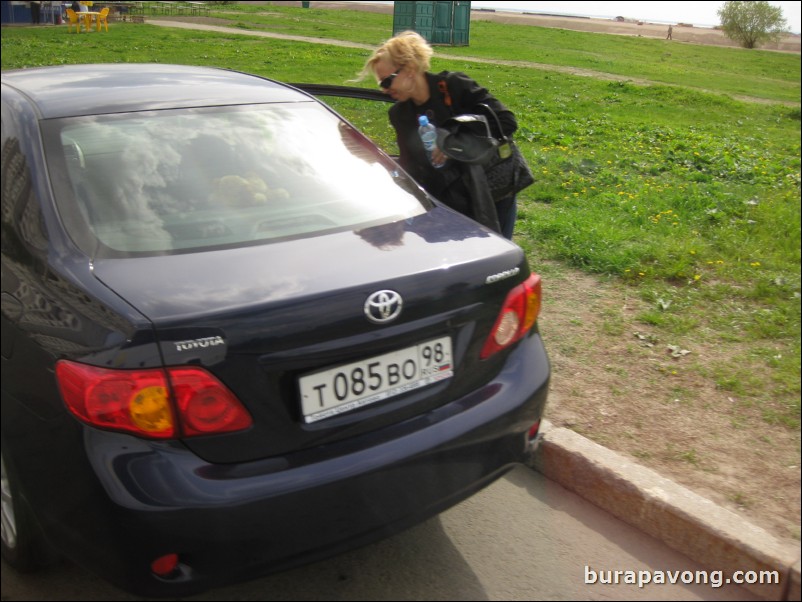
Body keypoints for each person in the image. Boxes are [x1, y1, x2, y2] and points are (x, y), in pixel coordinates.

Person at [361, 31, 521, 239]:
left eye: (386, 82)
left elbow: (506, 121)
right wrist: (374, 158)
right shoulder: (400, 114)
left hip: (492, 192)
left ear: (409, 69)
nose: (384, 90)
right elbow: (412, 167)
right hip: (452, 205)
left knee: (498, 260)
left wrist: (452, 143)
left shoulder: (454, 86)